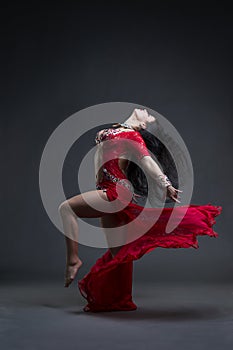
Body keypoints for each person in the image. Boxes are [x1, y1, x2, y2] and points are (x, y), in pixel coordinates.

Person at [58, 108, 222, 312]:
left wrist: (165, 184)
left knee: (66, 209)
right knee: (118, 253)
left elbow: (147, 161)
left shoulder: (133, 135)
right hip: (112, 190)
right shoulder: (117, 130)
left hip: (114, 192)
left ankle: (73, 261)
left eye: (150, 117)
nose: (147, 112)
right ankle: (116, 301)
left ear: (143, 125)